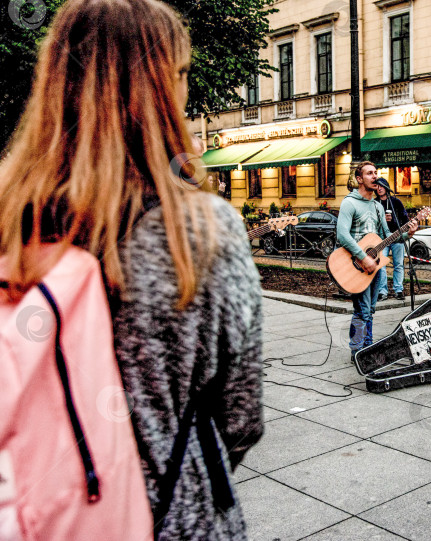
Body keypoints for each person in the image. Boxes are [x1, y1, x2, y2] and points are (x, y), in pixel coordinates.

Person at [0, 0, 264, 538]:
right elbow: (240, 417)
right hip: (173, 516)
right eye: (182, 74)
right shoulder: (195, 231)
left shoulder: (10, 220)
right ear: (163, 86)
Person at [337, 162, 417, 357]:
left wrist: (408, 234)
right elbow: (342, 235)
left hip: (375, 265)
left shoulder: (377, 206)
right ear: (359, 179)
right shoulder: (350, 203)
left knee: (368, 310)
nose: (375, 176)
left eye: (376, 173)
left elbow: (386, 236)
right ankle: (365, 351)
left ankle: (357, 348)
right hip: (355, 265)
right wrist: (363, 257)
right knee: (363, 310)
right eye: (369, 173)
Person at [374, 177, 409, 301]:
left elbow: (405, 220)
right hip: (381, 240)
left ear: (387, 187)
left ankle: (398, 289)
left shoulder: (395, 202)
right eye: (377, 186)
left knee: (398, 264)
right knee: (381, 265)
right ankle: (382, 291)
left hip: (397, 238)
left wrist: (393, 219)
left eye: (381, 186)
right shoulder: (374, 203)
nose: (379, 188)